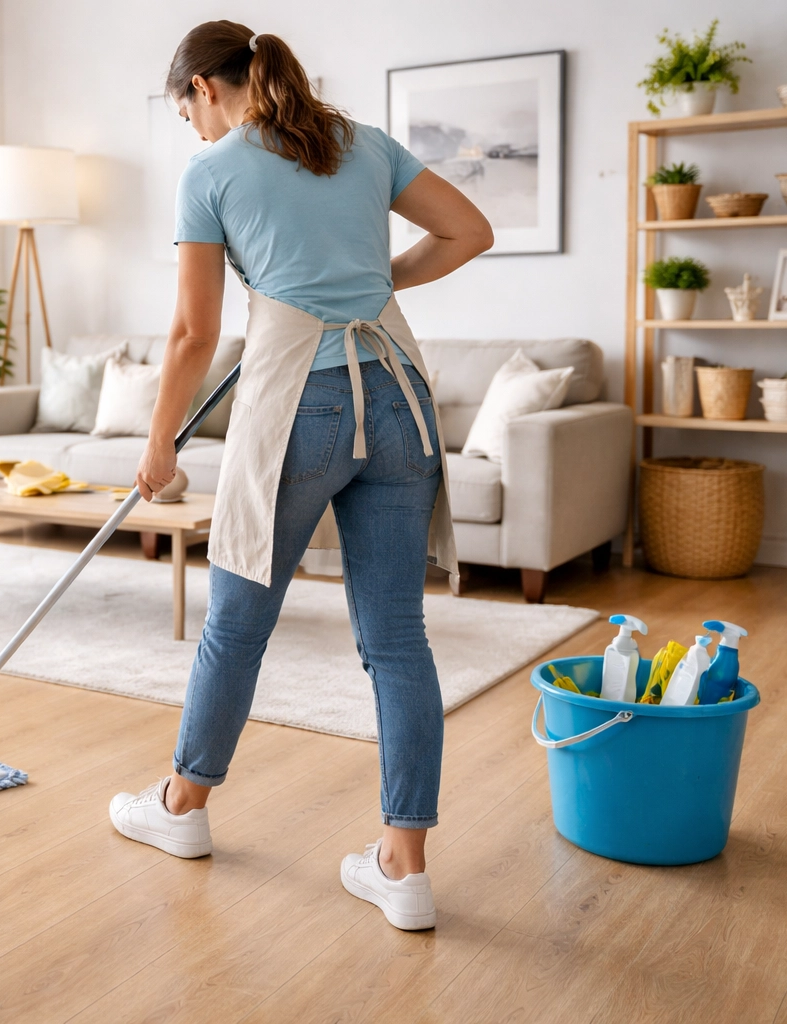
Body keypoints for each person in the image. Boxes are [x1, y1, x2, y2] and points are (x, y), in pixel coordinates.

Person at [107, 20, 492, 932]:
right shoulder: (359, 142)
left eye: (184, 112)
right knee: (397, 638)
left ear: (205, 87)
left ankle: (182, 811)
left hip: (301, 408)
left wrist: (160, 440)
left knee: (237, 624)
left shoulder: (210, 173)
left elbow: (195, 335)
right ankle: (403, 870)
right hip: (400, 397)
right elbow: (471, 231)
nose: (192, 132)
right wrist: (370, 284)